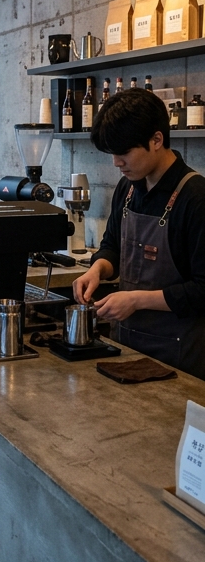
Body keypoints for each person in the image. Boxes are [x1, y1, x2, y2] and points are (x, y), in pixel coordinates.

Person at [72, 88, 205, 377]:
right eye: (112, 153)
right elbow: (112, 247)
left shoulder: (196, 197)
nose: (116, 162)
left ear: (157, 139)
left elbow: (202, 290)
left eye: (124, 152)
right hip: (127, 350)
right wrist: (97, 269)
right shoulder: (128, 188)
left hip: (179, 361)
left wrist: (136, 299)